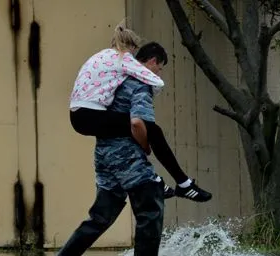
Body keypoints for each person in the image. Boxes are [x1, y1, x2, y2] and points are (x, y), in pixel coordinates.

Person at [56, 42, 174, 256]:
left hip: (104, 155)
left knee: (100, 217)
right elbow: (138, 123)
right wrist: (146, 146)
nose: (159, 72)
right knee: (150, 204)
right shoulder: (140, 83)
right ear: (152, 61)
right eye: (160, 67)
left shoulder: (113, 80)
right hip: (126, 156)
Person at [69, 23, 211, 202]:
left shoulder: (100, 56)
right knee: (150, 130)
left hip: (78, 115)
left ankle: (162, 181)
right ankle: (182, 183)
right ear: (132, 48)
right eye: (160, 67)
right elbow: (156, 81)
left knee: (137, 132)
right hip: (91, 115)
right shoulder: (122, 58)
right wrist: (149, 92)